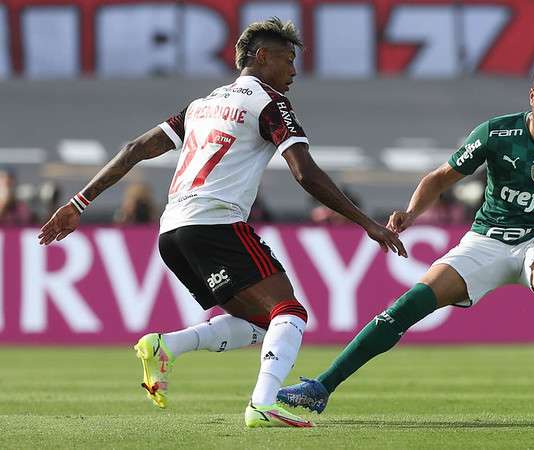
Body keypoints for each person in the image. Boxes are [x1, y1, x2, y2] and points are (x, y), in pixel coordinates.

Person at [38, 17, 405, 428]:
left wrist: (78, 202)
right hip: (216, 224)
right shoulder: (269, 102)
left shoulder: (201, 105)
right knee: (290, 314)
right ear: (262, 57)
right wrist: (366, 223)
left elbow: (133, 148)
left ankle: (166, 346)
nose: (294, 72)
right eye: (287, 59)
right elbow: (307, 174)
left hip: (172, 232)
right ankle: (263, 403)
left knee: (258, 323)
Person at [278, 62, 534, 424]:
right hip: (487, 238)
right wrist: (411, 214)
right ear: (532, 97)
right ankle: (321, 387)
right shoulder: (496, 133)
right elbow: (441, 178)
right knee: (409, 304)